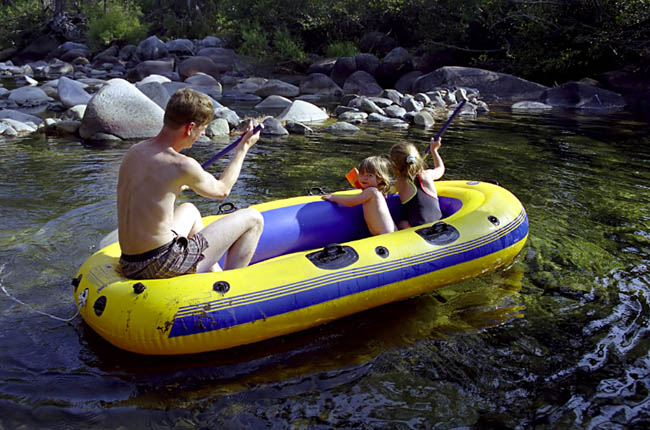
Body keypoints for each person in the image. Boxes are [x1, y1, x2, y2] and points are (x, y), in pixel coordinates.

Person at [117, 87, 263, 279]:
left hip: (129, 262)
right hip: (160, 264)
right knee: (254, 219)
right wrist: (243, 148)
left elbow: (153, 188)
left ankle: (212, 275)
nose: (202, 133)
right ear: (190, 128)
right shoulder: (182, 165)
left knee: (189, 210)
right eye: (202, 128)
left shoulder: (134, 151)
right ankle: (228, 286)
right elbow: (223, 190)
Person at [322, 156, 396, 236]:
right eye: (361, 174)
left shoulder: (371, 191)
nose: (364, 178)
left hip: (385, 234)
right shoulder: (376, 191)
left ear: (380, 179)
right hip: (385, 232)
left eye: (370, 175)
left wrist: (333, 198)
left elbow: (351, 202)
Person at [389, 137, 445, 230]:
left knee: (402, 223)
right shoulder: (427, 175)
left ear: (394, 166)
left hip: (419, 231)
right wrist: (434, 150)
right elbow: (440, 169)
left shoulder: (400, 182)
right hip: (438, 226)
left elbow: (387, 190)